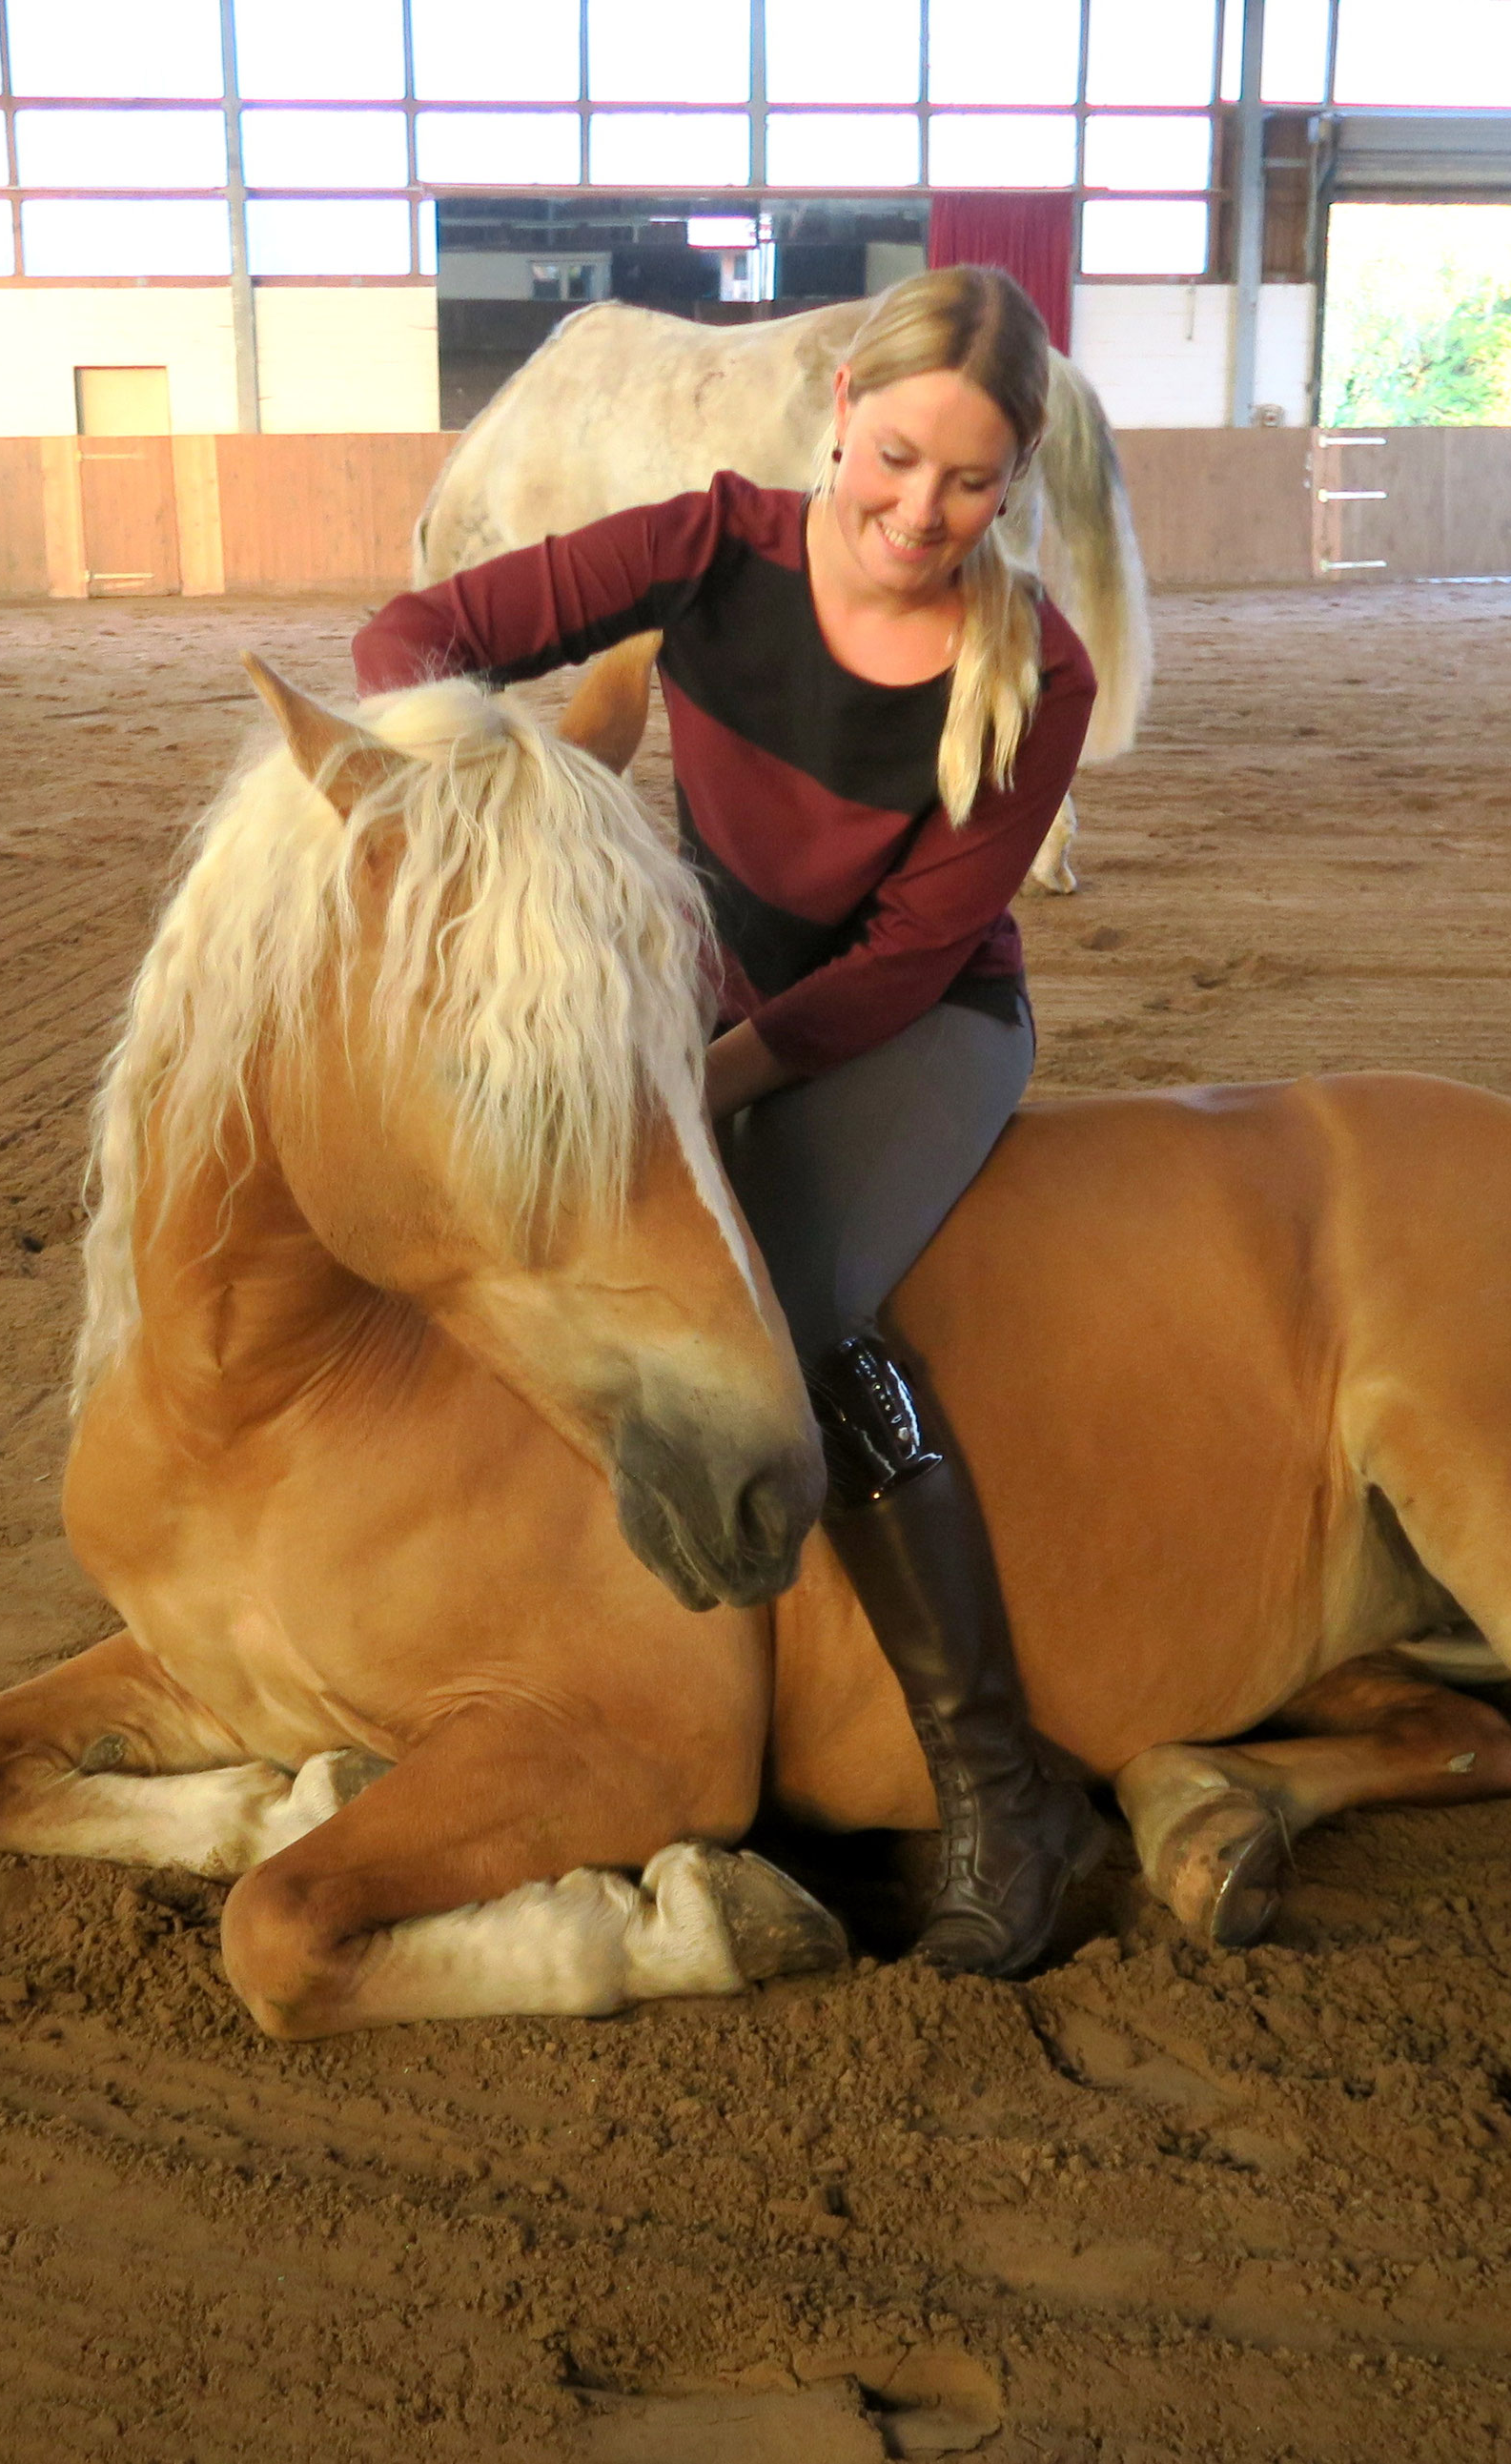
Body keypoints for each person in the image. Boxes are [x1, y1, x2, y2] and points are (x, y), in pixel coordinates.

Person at [353, 266, 1107, 1977]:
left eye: (972, 482)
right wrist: (497, 790)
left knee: (797, 1307)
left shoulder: (1037, 670)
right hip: (697, 991)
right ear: (838, 407)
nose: (922, 511)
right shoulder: (709, 542)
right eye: (898, 455)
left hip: (908, 1025)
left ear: (1016, 482)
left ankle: (1005, 1794)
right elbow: (412, 638)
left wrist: (699, 1086)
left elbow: (902, 958)